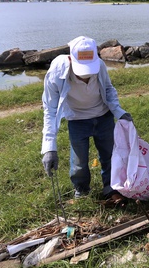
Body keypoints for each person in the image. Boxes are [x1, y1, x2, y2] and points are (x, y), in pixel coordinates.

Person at [41, 36, 133, 199]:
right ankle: (82, 189)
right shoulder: (57, 70)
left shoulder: (100, 65)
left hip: (104, 117)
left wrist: (118, 111)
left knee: (110, 155)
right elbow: (50, 109)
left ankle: (111, 187)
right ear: (71, 58)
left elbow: (109, 89)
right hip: (77, 120)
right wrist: (49, 147)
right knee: (79, 162)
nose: (86, 76)